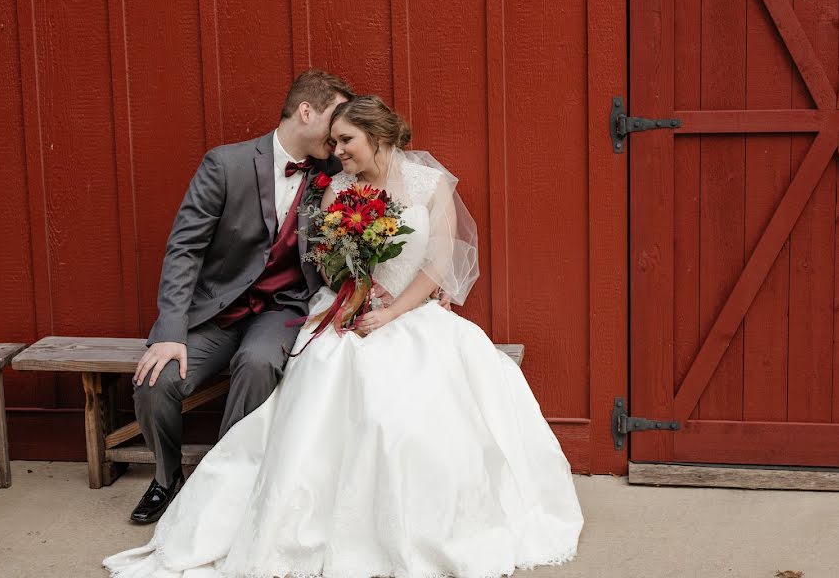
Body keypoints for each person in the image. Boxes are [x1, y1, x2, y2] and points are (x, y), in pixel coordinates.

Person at [105, 95, 583, 577]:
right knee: (325, 371)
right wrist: (353, 295)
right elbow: (323, 261)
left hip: (410, 313)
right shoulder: (336, 188)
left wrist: (394, 309)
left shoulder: (431, 185)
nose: (337, 149)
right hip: (346, 308)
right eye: (333, 140)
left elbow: (437, 262)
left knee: (407, 414)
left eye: (346, 140)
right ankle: (211, 488)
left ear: (377, 136)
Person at [128, 69, 354, 523]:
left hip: (282, 307)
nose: (339, 134)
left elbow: (390, 192)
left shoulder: (335, 169)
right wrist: (170, 331)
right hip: (215, 310)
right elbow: (184, 249)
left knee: (258, 364)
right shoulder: (225, 164)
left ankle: (225, 482)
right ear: (306, 112)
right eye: (335, 118)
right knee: (158, 380)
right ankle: (167, 477)